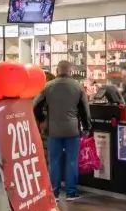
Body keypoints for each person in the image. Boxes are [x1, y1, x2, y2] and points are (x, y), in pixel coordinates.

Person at [33, 60, 91, 200]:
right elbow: (84, 110)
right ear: (70, 71)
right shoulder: (78, 87)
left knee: (54, 161)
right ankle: (71, 192)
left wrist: (42, 119)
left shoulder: (48, 86)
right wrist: (87, 127)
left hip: (54, 130)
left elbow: (35, 105)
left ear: (57, 70)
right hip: (72, 130)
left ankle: (55, 192)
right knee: (72, 161)